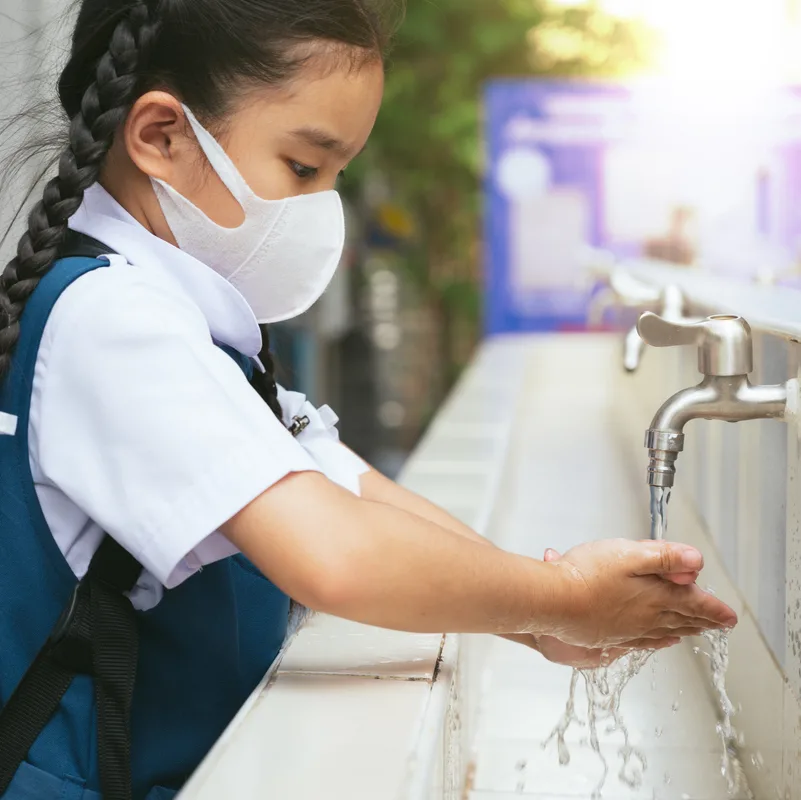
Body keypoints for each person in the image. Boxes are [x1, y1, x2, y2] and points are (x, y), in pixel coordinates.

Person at [0, 1, 737, 798]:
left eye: (337, 174)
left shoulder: (174, 315)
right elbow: (337, 554)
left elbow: (349, 488)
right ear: (162, 138)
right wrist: (559, 599)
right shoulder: (113, 322)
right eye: (304, 167)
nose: (326, 209)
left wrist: (538, 612)